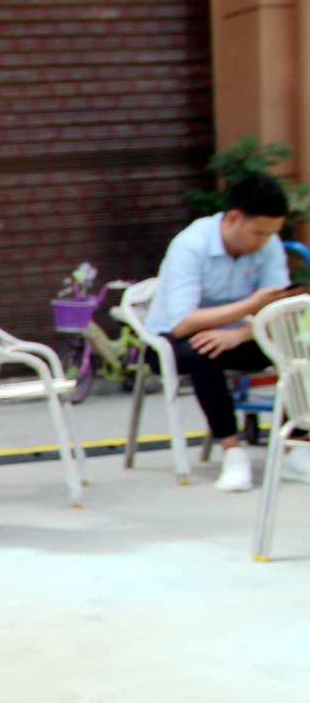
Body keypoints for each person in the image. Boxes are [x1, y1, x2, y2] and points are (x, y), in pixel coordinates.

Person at [143, 174, 310, 491]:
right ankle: (232, 451)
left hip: (240, 333)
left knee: (296, 343)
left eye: (270, 234)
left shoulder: (269, 244)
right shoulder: (191, 245)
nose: (263, 241)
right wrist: (249, 306)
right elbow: (183, 322)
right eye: (258, 232)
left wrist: (239, 333)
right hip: (172, 338)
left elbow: (275, 310)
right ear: (233, 218)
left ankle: (296, 446)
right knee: (205, 349)